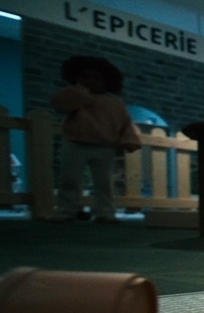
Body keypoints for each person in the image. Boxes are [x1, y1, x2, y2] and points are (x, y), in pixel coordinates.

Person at [48, 56, 142, 223]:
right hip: (76, 142)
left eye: (97, 78)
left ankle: (105, 212)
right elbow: (60, 104)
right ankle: (66, 210)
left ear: (107, 81)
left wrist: (129, 139)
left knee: (104, 182)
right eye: (85, 76)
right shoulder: (75, 95)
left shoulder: (115, 102)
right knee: (69, 179)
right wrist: (80, 92)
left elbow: (125, 122)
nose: (91, 81)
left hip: (105, 146)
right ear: (76, 77)